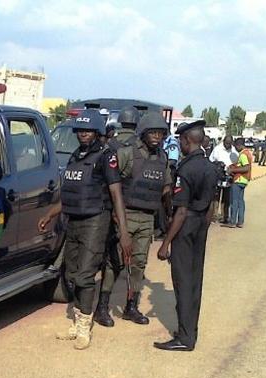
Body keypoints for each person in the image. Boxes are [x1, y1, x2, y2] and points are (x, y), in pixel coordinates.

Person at [38, 110, 131, 350]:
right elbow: (71, 194)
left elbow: (116, 193)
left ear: (98, 132)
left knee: (85, 275)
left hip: (95, 221)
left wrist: (125, 232)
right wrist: (50, 214)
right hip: (74, 221)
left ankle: (83, 327)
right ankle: (78, 317)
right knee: (70, 274)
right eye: (80, 131)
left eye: (88, 130)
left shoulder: (105, 157)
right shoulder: (75, 157)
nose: (83, 135)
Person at [102, 112, 173, 327]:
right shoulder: (127, 154)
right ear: (142, 132)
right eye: (153, 132)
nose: (157, 137)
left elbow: (166, 188)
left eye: (160, 133)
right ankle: (102, 307)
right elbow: (111, 184)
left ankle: (130, 307)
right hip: (124, 215)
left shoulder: (162, 158)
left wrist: (169, 217)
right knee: (114, 263)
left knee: (139, 264)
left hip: (147, 218)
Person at [155, 120, 217, 351]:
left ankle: (184, 338)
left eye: (181, 140)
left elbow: (180, 211)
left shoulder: (186, 169)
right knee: (194, 282)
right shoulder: (209, 167)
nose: (179, 144)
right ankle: (190, 332)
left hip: (186, 225)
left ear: (187, 140)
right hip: (200, 226)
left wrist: (165, 244)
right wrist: (203, 229)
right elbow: (211, 206)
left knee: (182, 283)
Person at [96, 107, 141, 327]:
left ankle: (102, 308)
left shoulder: (110, 145)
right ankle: (131, 307)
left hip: (112, 210)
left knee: (113, 262)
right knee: (136, 263)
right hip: (134, 210)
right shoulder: (139, 148)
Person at [208, 135, 238, 223]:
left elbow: (236, 161)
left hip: (229, 177)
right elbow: (211, 161)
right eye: (226, 143)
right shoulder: (217, 149)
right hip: (218, 176)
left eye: (229, 143)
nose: (228, 145)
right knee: (216, 197)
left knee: (226, 198)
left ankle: (225, 216)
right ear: (224, 141)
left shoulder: (234, 150)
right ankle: (214, 216)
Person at [225, 138, 253, 228]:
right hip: (244, 181)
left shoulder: (243, 155)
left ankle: (233, 221)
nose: (235, 149)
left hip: (238, 180)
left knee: (234, 201)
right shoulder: (248, 153)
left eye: (235, 146)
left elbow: (246, 168)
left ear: (239, 145)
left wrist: (232, 170)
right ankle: (240, 221)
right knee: (241, 201)